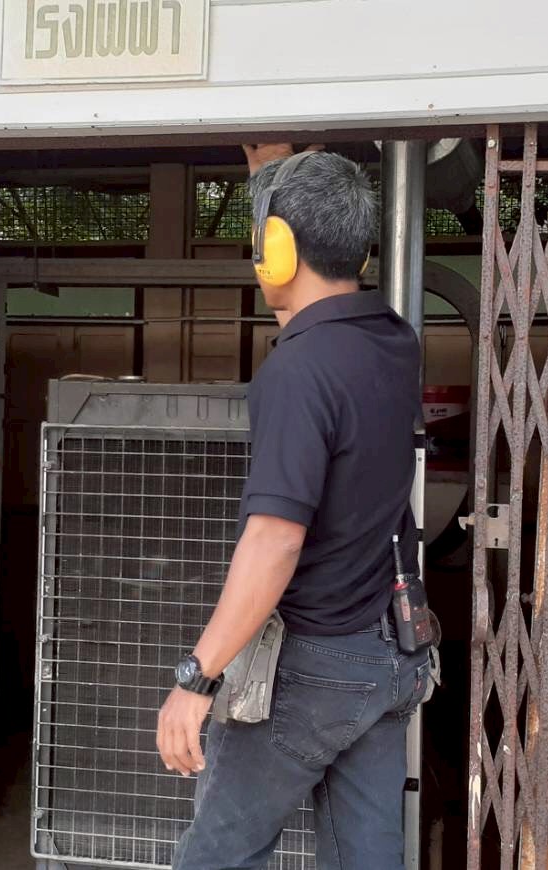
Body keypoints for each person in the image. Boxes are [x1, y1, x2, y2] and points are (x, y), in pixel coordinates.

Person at [156, 142, 430, 870]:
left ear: (275, 251)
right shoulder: (395, 342)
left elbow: (276, 540)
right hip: (386, 656)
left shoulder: (298, 372)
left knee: (217, 859)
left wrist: (198, 676)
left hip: (312, 668)